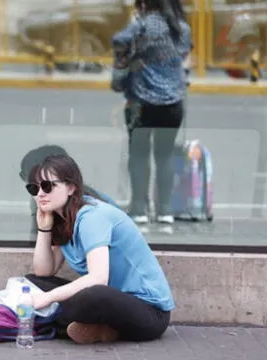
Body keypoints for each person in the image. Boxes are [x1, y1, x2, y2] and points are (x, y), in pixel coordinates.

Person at [23, 154, 174, 344]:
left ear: (71, 187)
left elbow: (98, 278)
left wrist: (46, 299)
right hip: (112, 305)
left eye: (47, 186)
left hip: (149, 314)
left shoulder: (92, 217)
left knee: (93, 295)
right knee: (33, 282)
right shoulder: (64, 219)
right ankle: (99, 330)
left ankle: (58, 321)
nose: (40, 194)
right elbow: (44, 271)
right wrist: (44, 228)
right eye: (34, 188)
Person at [111, 0, 191, 225]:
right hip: (173, 104)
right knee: (164, 155)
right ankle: (165, 210)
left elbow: (118, 40)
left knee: (138, 155)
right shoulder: (182, 29)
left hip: (141, 102)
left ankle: (139, 209)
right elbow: (183, 56)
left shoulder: (140, 26)